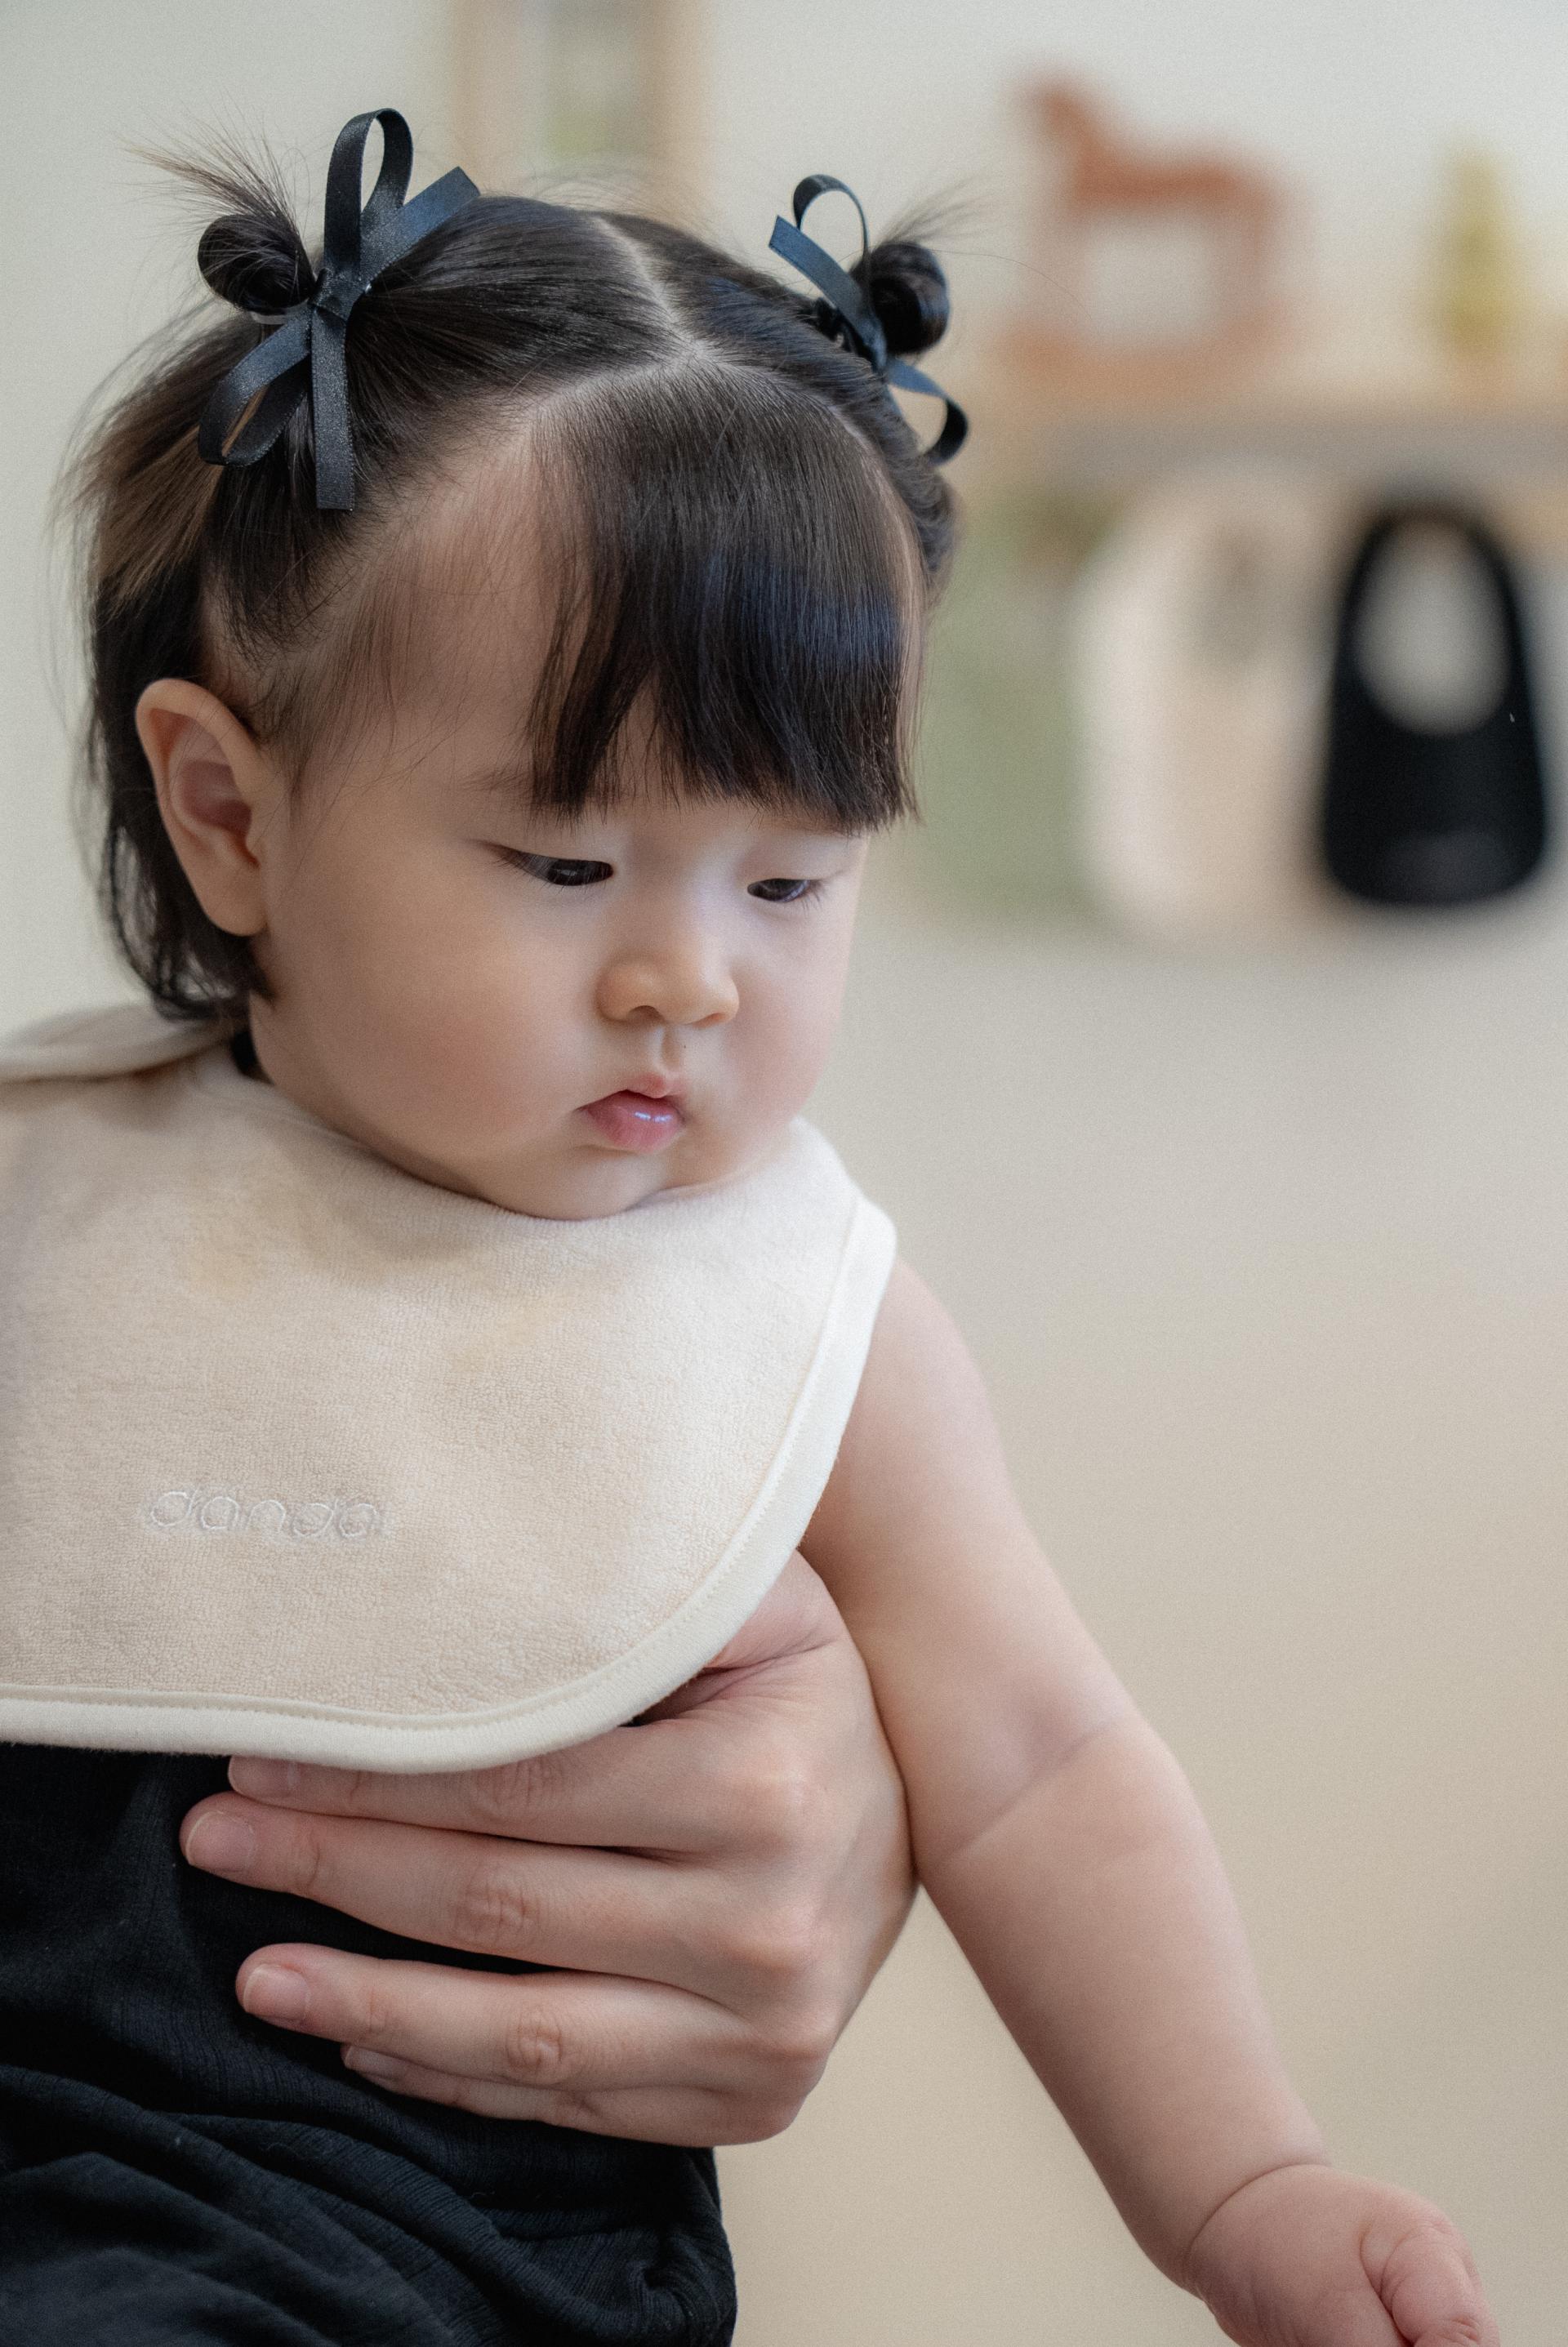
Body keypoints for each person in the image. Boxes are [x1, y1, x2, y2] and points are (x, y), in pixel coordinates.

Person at [0, 105, 1495, 2347]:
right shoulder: (49, 1193)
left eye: (792, 878)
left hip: (466, 2272)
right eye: (568, 864)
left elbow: (1041, 1762)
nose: (688, 978)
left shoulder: (802, 1316)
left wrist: (1244, 2182)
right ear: (227, 810)